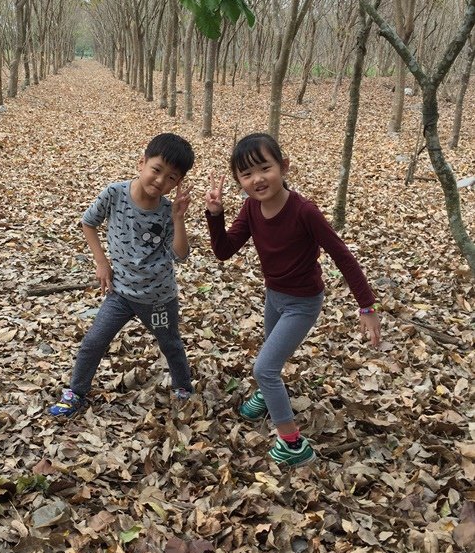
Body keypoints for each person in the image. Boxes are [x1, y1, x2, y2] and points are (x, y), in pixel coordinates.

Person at [205, 132, 381, 468]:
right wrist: (215, 215)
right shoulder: (251, 207)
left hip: (303, 303)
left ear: (283, 166)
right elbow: (224, 251)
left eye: (264, 168)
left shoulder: (304, 211)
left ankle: (293, 444)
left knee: (265, 368)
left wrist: (367, 306)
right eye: (246, 174)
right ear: (239, 181)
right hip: (275, 296)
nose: (257, 179)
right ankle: (269, 397)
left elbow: (343, 256)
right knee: (270, 365)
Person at [49, 132, 196, 418]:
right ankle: (76, 393)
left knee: (170, 344)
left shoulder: (168, 211)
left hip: (158, 298)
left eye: (171, 178)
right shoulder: (114, 194)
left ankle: (183, 387)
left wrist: (178, 219)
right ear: (141, 163)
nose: (160, 181)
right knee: (94, 341)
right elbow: (88, 222)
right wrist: (101, 262)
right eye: (156, 170)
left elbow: (180, 255)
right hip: (120, 293)